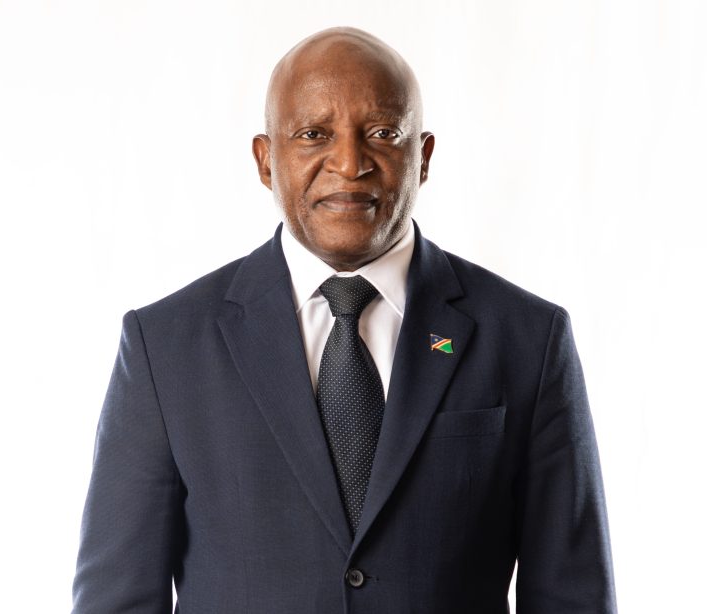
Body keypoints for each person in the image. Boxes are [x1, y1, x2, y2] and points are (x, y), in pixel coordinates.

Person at [72, 27, 617, 613]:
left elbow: (573, 596)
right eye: (314, 135)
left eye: (383, 133)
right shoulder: (165, 346)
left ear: (423, 157)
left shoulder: (528, 339)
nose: (350, 164)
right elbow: (117, 599)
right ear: (265, 160)